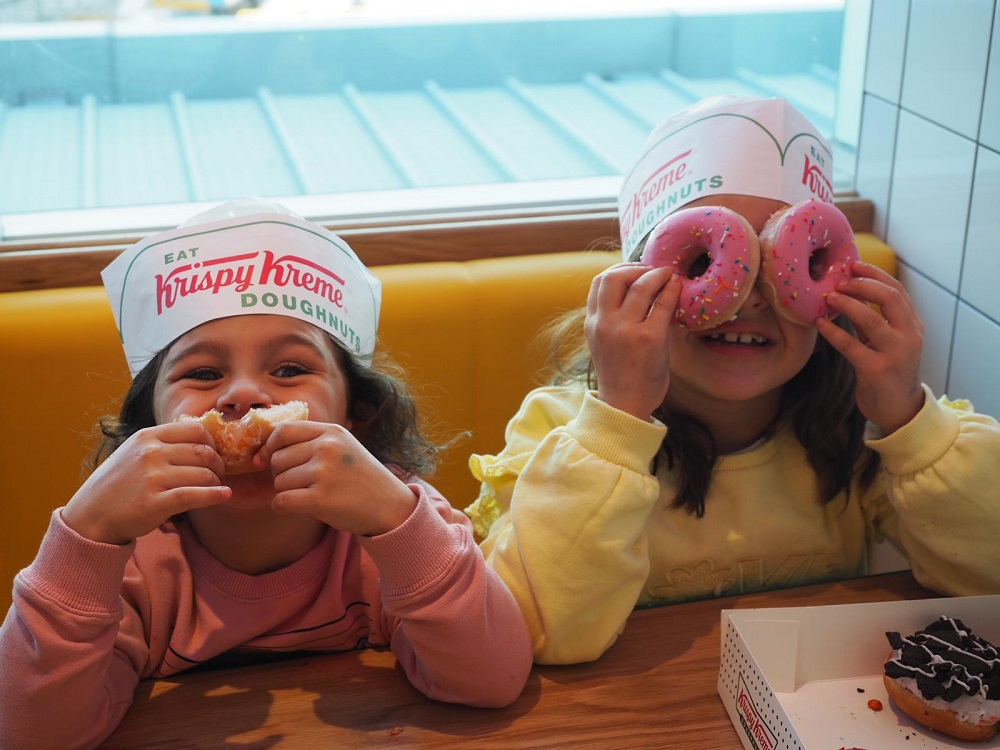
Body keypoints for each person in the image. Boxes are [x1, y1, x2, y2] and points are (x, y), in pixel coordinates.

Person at [463, 95, 1000, 666]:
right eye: (704, 265)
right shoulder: (563, 432)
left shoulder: (857, 433)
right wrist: (617, 424)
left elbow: (988, 575)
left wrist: (908, 419)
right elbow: (539, 635)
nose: (746, 301)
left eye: (790, 268)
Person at [0, 200, 532, 750]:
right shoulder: (130, 565)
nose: (245, 395)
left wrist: (397, 520)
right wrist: (86, 536)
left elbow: (492, 681)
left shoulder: (397, 525)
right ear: (148, 429)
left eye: (289, 370)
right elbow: (27, 733)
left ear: (356, 416)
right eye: (204, 374)